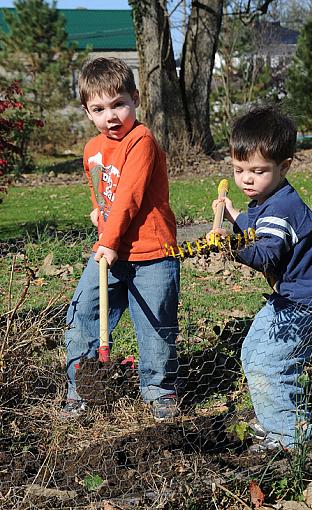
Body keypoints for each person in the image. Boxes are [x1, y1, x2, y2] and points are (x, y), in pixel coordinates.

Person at [209, 104, 312, 452]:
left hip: (308, 303)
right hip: (296, 296)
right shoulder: (271, 198)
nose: (246, 179)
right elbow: (258, 230)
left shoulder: (281, 209)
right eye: (238, 170)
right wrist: (235, 216)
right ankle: (275, 416)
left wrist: (232, 246)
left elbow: (266, 253)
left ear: (284, 167)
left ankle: (289, 438)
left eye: (257, 170)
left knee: (271, 362)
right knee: (253, 351)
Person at [63, 57, 180, 421]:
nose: (111, 116)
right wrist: (99, 212)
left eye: (119, 105)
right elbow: (102, 189)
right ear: (87, 112)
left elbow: (129, 195)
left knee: (155, 322)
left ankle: (158, 389)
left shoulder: (141, 140)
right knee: (83, 310)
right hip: (110, 252)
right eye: (99, 109)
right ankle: (81, 387)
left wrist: (109, 240)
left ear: (136, 98)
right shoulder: (92, 149)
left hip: (152, 250)